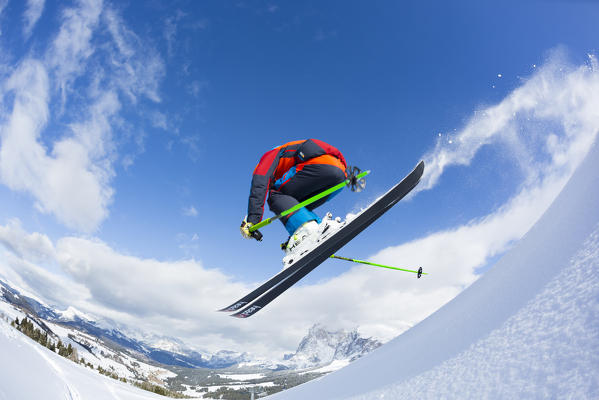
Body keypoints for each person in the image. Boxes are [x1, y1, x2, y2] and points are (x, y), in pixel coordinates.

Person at [240, 139, 348, 253]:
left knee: (274, 194)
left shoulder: (271, 155)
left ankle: (306, 230)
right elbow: (291, 206)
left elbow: (260, 181)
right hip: (340, 176)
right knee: (295, 203)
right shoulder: (290, 165)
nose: (271, 182)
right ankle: (316, 229)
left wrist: (252, 220)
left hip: (320, 164)